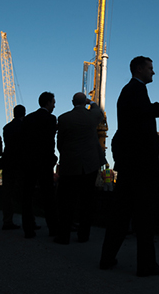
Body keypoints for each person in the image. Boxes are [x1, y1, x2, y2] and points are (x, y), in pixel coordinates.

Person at [100, 56, 159, 277]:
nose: (153, 72)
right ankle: (146, 265)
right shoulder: (135, 90)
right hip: (140, 166)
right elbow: (145, 111)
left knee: (121, 215)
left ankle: (107, 257)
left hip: (131, 165)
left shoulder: (130, 91)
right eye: (150, 68)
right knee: (145, 216)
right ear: (139, 69)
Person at [54, 92, 105, 245]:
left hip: (70, 165)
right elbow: (99, 111)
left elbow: (60, 143)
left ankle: (63, 236)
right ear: (85, 102)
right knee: (87, 202)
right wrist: (92, 102)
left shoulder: (63, 119)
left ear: (72, 102)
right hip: (89, 165)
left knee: (67, 202)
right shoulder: (91, 116)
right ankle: (84, 235)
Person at [21, 92, 59, 239]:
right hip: (44, 162)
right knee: (48, 197)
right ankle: (53, 228)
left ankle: (28, 229)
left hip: (29, 162)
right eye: (53, 102)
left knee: (27, 196)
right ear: (48, 103)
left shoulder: (28, 118)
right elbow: (49, 140)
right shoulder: (50, 119)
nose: (54, 105)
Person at [1, 104, 26, 230]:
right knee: (24, 193)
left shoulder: (7, 127)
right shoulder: (25, 127)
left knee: (7, 193)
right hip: (21, 163)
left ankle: (7, 219)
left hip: (8, 162)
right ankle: (28, 220)